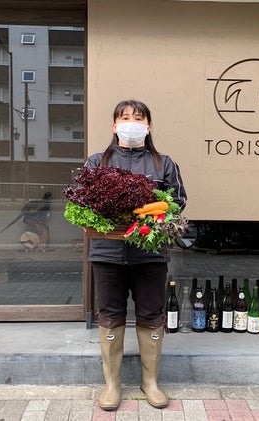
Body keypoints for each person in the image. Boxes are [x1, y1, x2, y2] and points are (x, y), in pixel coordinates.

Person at [85, 99, 187, 411]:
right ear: (114, 126)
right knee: (110, 315)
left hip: (150, 255)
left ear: (149, 126)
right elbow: (83, 204)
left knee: (151, 315)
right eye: (125, 118)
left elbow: (178, 201)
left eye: (138, 118)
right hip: (107, 253)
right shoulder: (97, 162)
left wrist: (153, 214)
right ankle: (112, 385)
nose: (131, 123)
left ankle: (150, 382)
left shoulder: (164, 164)